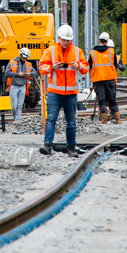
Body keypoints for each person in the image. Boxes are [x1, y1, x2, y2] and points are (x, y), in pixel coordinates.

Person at [39, 24, 89, 155]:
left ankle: (71, 148)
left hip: (71, 93)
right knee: (51, 119)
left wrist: (78, 65)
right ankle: (48, 145)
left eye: (68, 40)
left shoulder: (77, 52)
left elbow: (85, 68)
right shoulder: (51, 51)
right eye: (64, 39)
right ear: (59, 38)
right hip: (54, 92)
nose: (66, 42)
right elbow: (41, 67)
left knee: (71, 122)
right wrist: (51, 68)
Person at [89, 32, 122, 123]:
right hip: (110, 79)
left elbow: (89, 66)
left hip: (98, 80)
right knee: (112, 99)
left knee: (102, 100)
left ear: (99, 40)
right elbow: (116, 65)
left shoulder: (92, 53)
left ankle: (104, 120)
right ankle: (118, 120)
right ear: (107, 42)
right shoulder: (111, 52)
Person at [6, 47, 38, 129]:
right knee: (14, 106)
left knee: (20, 106)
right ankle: (14, 118)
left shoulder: (28, 64)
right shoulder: (12, 62)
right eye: (23, 58)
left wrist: (29, 74)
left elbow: (35, 72)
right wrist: (18, 74)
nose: (24, 59)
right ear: (20, 55)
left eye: (26, 58)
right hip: (14, 86)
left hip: (23, 86)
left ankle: (17, 121)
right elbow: (7, 73)